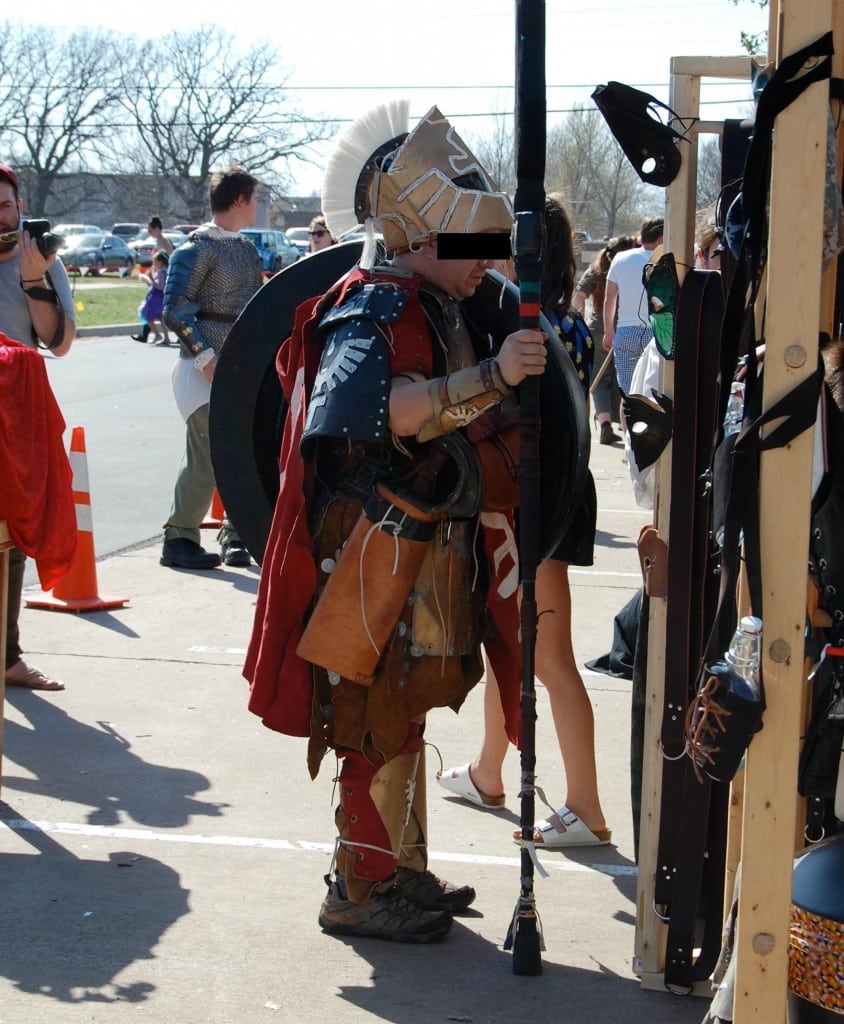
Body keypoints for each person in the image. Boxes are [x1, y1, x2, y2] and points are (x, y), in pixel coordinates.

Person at [244, 102, 545, 943]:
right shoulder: (374, 302)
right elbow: (382, 413)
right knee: (368, 717)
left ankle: (399, 870)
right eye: (474, 248)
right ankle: (358, 888)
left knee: (404, 705)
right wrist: (488, 376)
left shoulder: (434, 302)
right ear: (422, 237)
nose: (488, 265)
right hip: (369, 548)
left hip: (420, 541)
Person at [437, 196, 610, 850]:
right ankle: (487, 770)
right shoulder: (568, 323)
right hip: (540, 494)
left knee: (550, 658)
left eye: (496, 244)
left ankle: (587, 807)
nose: (482, 256)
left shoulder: (533, 330)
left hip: (542, 497)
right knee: (506, 638)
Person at [160, 166, 263, 570]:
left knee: (241, 453)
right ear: (239, 199)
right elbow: (174, 310)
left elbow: (254, 309)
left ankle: (236, 537)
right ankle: (179, 538)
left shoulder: (247, 250)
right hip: (201, 370)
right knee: (208, 455)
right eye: (254, 198)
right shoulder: (196, 248)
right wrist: (205, 357)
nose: (257, 205)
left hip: (235, 369)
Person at [0, 162, 76, 692]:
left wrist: (32, 279)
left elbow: (57, 342)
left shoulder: (43, 261)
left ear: (19, 208)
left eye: (4, 206)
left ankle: (7, 653)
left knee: (16, 533)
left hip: (19, 416)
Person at [573, 236, 637, 445]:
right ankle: (622, 422)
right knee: (622, 377)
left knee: (600, 380)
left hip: (596, 329)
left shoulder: (596, 269)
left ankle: (604, 423)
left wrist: (579, 318)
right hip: (623, 328)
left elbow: (579, 296)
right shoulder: (629, 268)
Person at [602, 216, 664, 428]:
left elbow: (610, 299)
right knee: (653, 394)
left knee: (628, 394)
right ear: (661, 237)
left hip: (626, 331)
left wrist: (608, 331)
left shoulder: (621, 258)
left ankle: (630, 444)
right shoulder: (666, 259)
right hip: (656, 333)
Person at [132, 217, 175, 343]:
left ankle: (155, 335)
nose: (149, 233)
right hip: (157, 278)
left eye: (150, 230)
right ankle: (148, 334)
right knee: (152, 306)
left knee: (155, 308)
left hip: (162, 280)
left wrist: (162, 275)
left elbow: (172, 259)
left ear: (157, 229)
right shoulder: (158, 242)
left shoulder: (164, 242)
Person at [139, 250, 171, 345]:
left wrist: (151, 279)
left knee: (147, 314)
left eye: (155, 261)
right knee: (161, 318)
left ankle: (158, 334)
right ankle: (165, 337)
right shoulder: (165, 271)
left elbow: (160, 286)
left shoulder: (162, 272)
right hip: (160, 297)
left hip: (157, 298)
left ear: (160, 262)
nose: (154, 264)